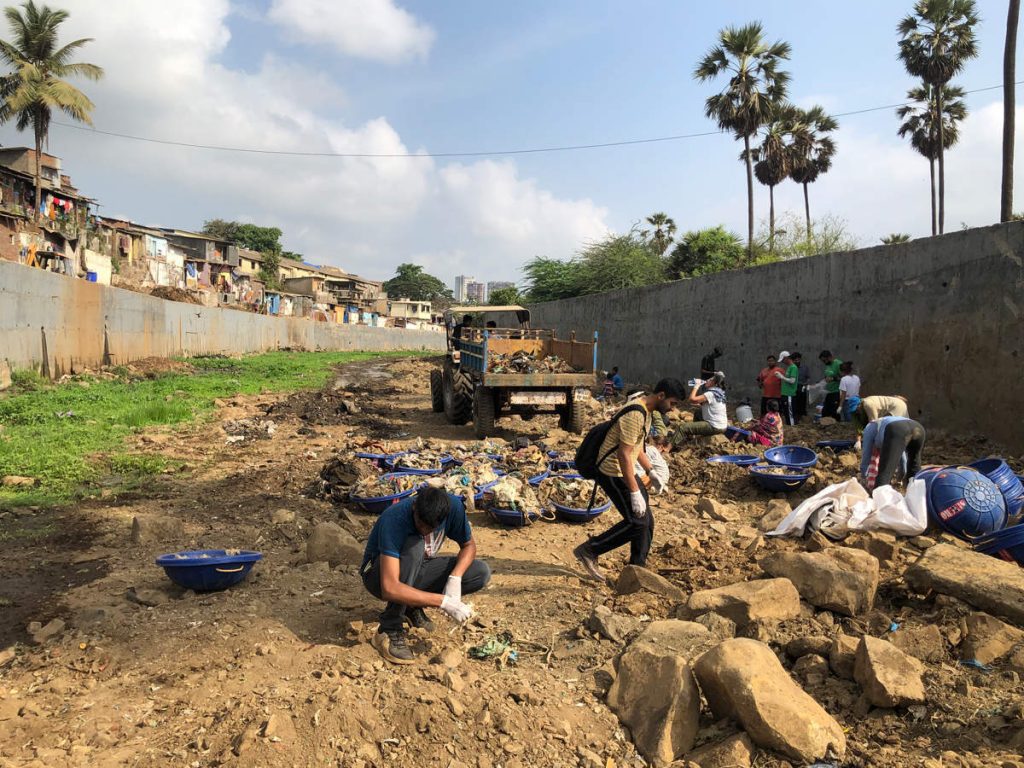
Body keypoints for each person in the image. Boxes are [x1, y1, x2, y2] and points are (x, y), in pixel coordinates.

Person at [573, 378, 686, 582]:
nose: (673, 409)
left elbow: (637, 447)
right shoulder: (636, 412)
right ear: (661, 396)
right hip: (612, 472)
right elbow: (624, 455)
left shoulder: (648, 412)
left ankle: (636, 569)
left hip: (625, 470)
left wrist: (651, 471)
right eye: (672, 403)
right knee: (637, 522)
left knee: (647, 522)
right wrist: (634, 492)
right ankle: (590, 550)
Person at [361, 487, 490, 664]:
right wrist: (444, 602)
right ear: (414, 507)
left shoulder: (453, 508)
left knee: (479, 572)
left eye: (431, 528)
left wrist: (455, 578)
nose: (425, 531)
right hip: (378, 576)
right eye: (420, 524)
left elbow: (468, 546)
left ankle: (410, 606)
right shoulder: (395, 517)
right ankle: (388, 628)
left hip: (415, 569)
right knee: (415, 547)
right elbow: (389, 587)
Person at [860, 416, 925, 491]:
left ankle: (878, 499)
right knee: (914, 464)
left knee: (885, 473)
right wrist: (900, 477)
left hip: (897, 429)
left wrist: (864, 477)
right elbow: (902, 458)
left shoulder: (869, 427)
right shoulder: (884, 423)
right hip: (918, 427)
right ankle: (916, 494)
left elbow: (866, 455)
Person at [671, 372, 728, 440]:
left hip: (714, 426)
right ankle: (694, 436)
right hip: (722, 426)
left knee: (682, 427)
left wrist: (696, 386)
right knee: (698, 412)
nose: (707, 381)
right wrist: (699, 405)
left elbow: (691, 399)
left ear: (714, 384)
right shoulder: (719, 393)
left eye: (709, 380)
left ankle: (667, 448)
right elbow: (713, 406)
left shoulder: (710, 394)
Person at [819, 350, 844, 420]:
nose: (824, 363)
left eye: (824, 360)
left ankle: (837, 428)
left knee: (834, 413)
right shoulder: (828, 365)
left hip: (836, 392)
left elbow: (844, 378)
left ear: (829, 357)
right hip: (829, 392)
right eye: (822, 361)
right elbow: (827, 376)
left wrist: (833, 378)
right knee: (825, 412)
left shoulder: (838, 364)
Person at [777, 351, 799, 426]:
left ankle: (792, 427)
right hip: (785, 394)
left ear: (786, 358)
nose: (783, 362)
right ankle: (790, 425)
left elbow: (792, 381)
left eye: (783, 360)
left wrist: (782, 377)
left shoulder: (793, 367)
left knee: (790, 414)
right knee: (787, 412)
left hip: (789, 394)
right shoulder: (789, 367)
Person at [793, 352, 810, 421]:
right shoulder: (791, 368)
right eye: (795, 360)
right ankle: (795, 417)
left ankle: (802, 416)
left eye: (798, 360)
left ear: (800, 359)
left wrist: (806, 383)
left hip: (802, 387)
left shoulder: (805, 368)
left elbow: (808, 378)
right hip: (793, 388)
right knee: (795, 403)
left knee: (802, 402)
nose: (797, 361)